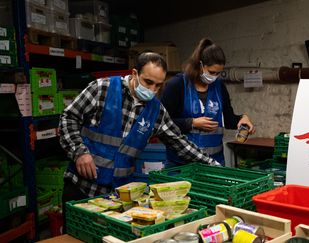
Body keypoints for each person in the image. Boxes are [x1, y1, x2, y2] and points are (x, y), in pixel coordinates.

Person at [59, 52, 220, 207]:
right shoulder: (103, 89)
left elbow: (181, 144)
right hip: (81, 189)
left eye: (158, 85)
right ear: (135, 73)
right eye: (148, 82)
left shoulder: (156, 112)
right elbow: (69, 117)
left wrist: (214, 166)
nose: (152, 90)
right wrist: (79, 152)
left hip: (118, 197)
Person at [161, 38, 255, 166]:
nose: (214, 76)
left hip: (213, 164)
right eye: (211, 72)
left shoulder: (219, 87)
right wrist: (192, 123)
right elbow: (162, 124)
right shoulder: (177, 85)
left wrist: (242, 119)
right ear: (200, 65)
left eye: (218, 73)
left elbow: (228, 119)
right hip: (182, 165)